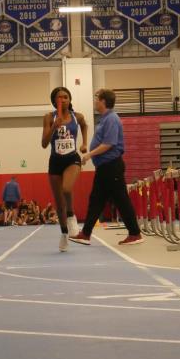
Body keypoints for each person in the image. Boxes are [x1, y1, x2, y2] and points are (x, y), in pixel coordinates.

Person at [71, 89, 144, 246]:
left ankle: (134, 233)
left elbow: (109, 144)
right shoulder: (104, 119)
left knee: (120, 200)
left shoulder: (111, 119)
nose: (95, 101)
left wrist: (89, 155)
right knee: (97, 200)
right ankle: (86, 234)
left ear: (103, 101)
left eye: (96, 99)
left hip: (111, 166)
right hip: (105, 167)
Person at [42, 86, 89, 252]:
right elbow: (44, 144)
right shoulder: (49, 117)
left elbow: (84, 125)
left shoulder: (78, 116)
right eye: (59, 97)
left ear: (70, 100)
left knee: (67, 188)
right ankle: (64, 234)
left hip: (72, 159)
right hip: (55, 161)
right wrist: (54, 127)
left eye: (65, 97)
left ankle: (71, 216)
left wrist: (84, 143)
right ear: (54, 101)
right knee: (59, 203)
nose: (62, 100)